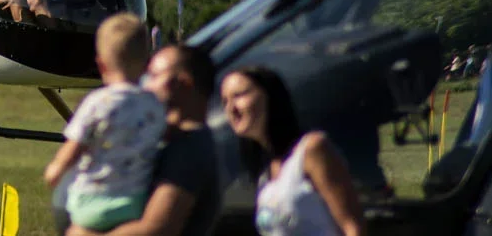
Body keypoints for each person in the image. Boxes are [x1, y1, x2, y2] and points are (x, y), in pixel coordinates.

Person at [64, 43, 221, 236]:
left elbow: (156, 228)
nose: (145, 84)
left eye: (153, 76)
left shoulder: (189, 150)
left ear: (183, 83)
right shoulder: (173, 138)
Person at [45, 14, 166, 231]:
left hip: (89, 202)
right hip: (133, 204)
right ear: (148, 63)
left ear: (101, 65)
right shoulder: (154, 105)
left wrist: (56, 169)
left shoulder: (97, 103)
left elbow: (75, 147)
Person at [220, 66, 364, 236]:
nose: (231, 109)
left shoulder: (312, 150)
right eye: (225, 102)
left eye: (239, 95)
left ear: (270, 96)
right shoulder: (266, 176)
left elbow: (352, 227)